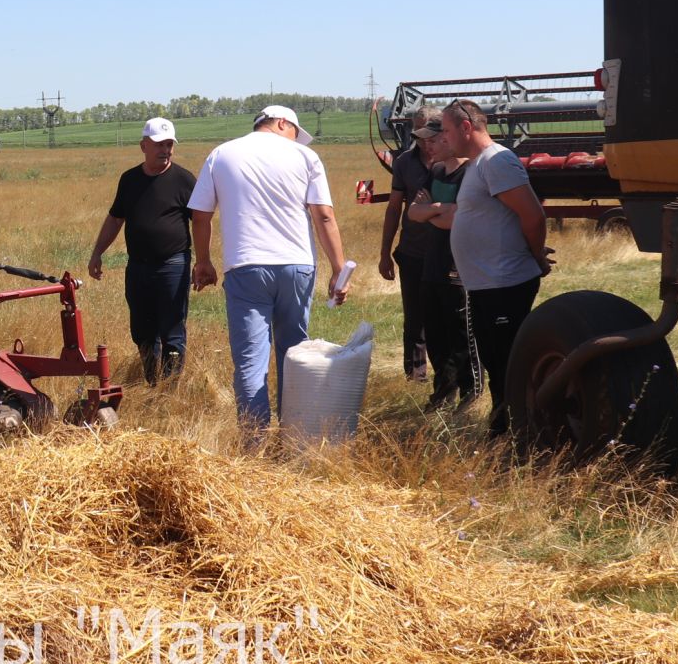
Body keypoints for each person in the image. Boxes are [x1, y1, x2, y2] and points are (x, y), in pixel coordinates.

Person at [187, 105, 353, 430]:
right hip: (296, 265)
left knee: (250, 362)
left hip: (245, 266)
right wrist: (337, 268)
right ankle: (294, 437)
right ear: (281, 123)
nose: (296, 140)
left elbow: (200, 215)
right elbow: (323, 215)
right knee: (293, 356)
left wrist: (204, 261)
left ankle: (255, 449)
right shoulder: (305, 158)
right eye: (295, 132)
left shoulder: (221, 154)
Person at [437, 99, 553, 435]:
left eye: (446, 130)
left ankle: (516, 431)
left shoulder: (495, 162)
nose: (444, 138)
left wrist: (537, 257)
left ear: (466, 127)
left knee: (505, 363)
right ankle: (507, 426)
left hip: (504, 284)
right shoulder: (477, 164)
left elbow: (533, 215)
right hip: (486, 285)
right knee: (494, 358)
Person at [87, 117, 197, 385]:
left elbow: (201, 222)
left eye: (169, 144)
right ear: (143, 146)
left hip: (173, 264)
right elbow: (115, 218)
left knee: (171, 328)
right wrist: (97, 252)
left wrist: (203, 261)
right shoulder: (130, 180)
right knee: (142, 329)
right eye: (159, 144)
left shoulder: (184, 180)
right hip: (138, 266)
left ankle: (169, 388)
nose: (165, 149)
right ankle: (151, 379)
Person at [405, 117, 477, 410]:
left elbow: (457, 219)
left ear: (448, 139)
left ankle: (470, 392)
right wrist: (437, 208)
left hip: (458, 264)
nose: (427, 145)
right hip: (431, 262)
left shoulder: (469, 172)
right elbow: (412, 212)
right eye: (424, 140)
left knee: (461, 332)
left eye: (433, 140)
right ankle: (443, 392)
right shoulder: (435, 170)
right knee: (434, 333)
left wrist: (430, 210)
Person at [379, 107, 441, 384]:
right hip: (413, 252)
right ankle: (415, 377)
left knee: (446, 318)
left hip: (448, 253)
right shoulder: (404, 163)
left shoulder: (456, 161)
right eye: (419, 136)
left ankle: (449, 378)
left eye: (431, 136)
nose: (426, 144)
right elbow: (394, 209)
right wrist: (385, 254)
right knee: (414, 319)